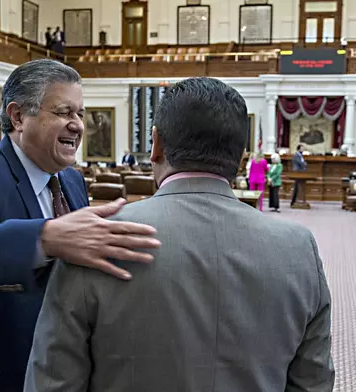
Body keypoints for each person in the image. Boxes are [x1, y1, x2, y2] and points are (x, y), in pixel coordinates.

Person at [25, 77, 335, 392]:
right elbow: (313, 382)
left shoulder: (96, 238)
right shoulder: (298, 248)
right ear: (241, 155)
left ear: (156, 145)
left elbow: (53, 382)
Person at [0, 59, 161, 392]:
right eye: (64, 112)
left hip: (64, 373)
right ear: (19, 116)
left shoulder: (74, 181)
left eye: (80, 113)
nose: (78, 125)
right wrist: (45, 238)